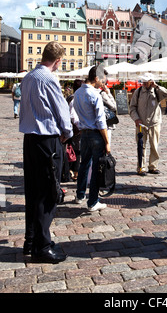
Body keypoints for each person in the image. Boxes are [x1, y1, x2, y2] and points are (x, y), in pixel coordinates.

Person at [19, 41, 73, 264]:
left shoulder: (29, 77)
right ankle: (42, 246)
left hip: (30, 139)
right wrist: (67, 133)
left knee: (32, 190)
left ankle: (30, 240)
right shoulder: (49, 78)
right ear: (58, 60)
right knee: (48, 191)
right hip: (48, 140)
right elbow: (61, 110)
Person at [73, 65, 110, 211]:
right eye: (103, 80)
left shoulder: (77, 93)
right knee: (96, 168)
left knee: (83, 165)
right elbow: (101, 121)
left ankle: (80, 195)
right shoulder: (95, 95)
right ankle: (93, 201)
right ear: (96, 78)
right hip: (95, 134)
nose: (104, 83)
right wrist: (107, 142)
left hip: (84, 133)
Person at [130, 72, 167, 176]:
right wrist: (136, 119)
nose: (143, 84)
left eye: (146, 82)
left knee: (154, 146)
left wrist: (157, 86)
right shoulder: (138, 92)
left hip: (154, 122)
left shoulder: (157, 91)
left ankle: (153, 166)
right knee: (141, 146)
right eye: (143, 82)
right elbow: (132, 107)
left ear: (151, 82)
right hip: (141, 123)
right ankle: (141, 167)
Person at [66, 79, 84, 181]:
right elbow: (73, 115)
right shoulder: (74, 99)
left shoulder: (70, 97)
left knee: (73, 149)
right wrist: (80, 126)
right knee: (76, 150)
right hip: (75, 129)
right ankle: (74, 172)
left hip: (71, 128)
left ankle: (71, 170)